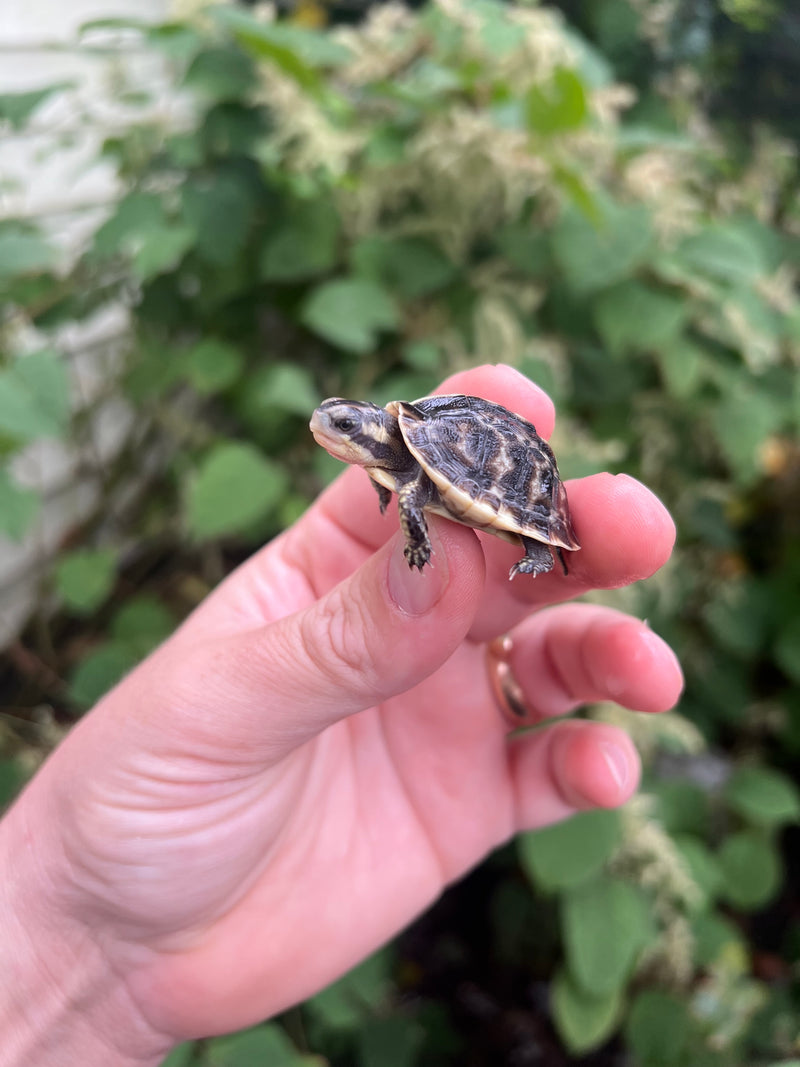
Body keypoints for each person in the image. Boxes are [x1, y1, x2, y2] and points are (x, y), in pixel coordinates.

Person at [0, 365, 683, 1066]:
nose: (335, 432)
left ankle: (539, 540)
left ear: (375, 433)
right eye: (337, 423)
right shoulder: (395, 466)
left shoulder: (414, 470)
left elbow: (419, 489)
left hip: (498, 478)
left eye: (348, 427)